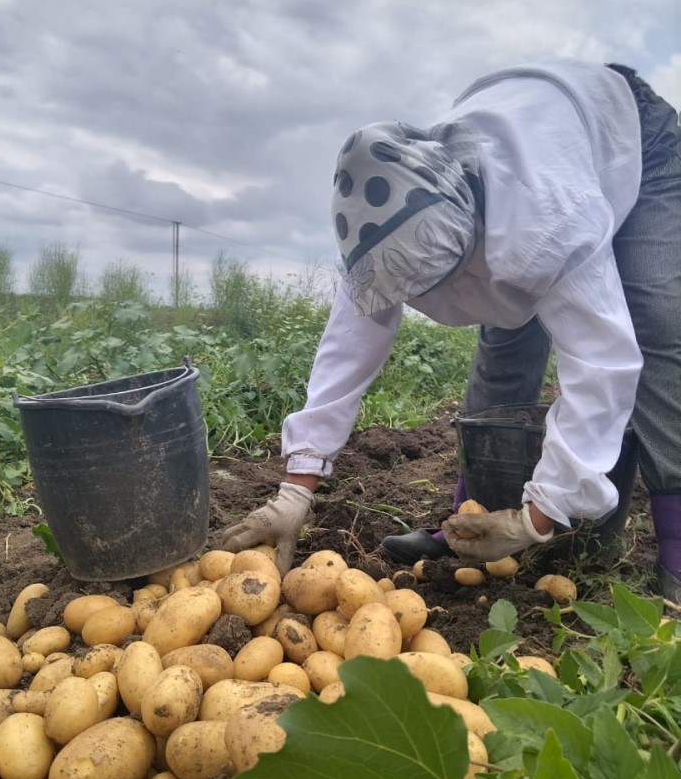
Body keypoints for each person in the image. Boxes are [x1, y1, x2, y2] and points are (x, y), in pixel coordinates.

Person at [221, 59, 681, 605]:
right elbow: (348, 349)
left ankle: (677, 541)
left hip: (629, 132)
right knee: (504, 353)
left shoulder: (549, 224)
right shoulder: (379, 227)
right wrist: (296, 486)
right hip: (535, 128)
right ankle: (468, 520)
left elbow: (603, 365)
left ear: (478, 238)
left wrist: (536, 518)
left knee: (658, 322)